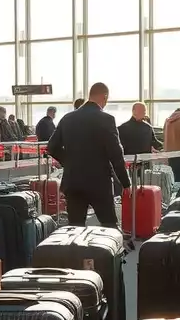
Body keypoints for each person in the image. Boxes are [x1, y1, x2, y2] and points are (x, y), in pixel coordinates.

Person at [47, 81, 130, 227]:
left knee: (75, 228)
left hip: (73, 181)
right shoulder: (106, 119)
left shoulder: (67, 118)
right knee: (109, 225)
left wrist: (69, 161)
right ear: (104, 97)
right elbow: (115, 154)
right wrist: (125, 182)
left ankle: (74, 250)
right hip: (98, 182)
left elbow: (52, 147)